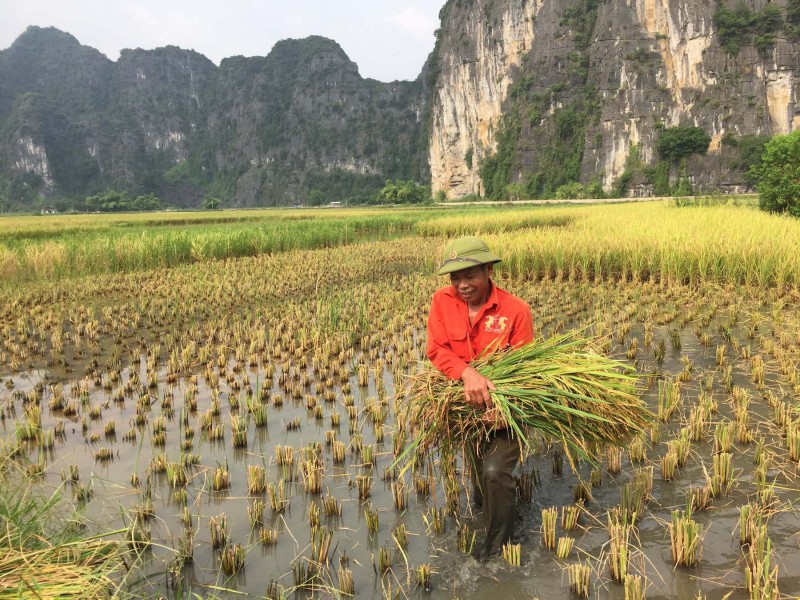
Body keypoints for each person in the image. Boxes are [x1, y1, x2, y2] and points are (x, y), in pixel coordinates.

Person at [426, 235, 534, 557]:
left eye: (470, 275)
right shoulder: (441, 302)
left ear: (488, 270)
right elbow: (436, 349)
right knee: (478, 480)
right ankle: (492, 514)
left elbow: (526, 373)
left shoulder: (516, 311)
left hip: (506, 409)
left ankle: (496, 551)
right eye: (455, 277)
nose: (462, 284)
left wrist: (506, 410)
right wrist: (467, 373)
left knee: (493, 472)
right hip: (466, 410)